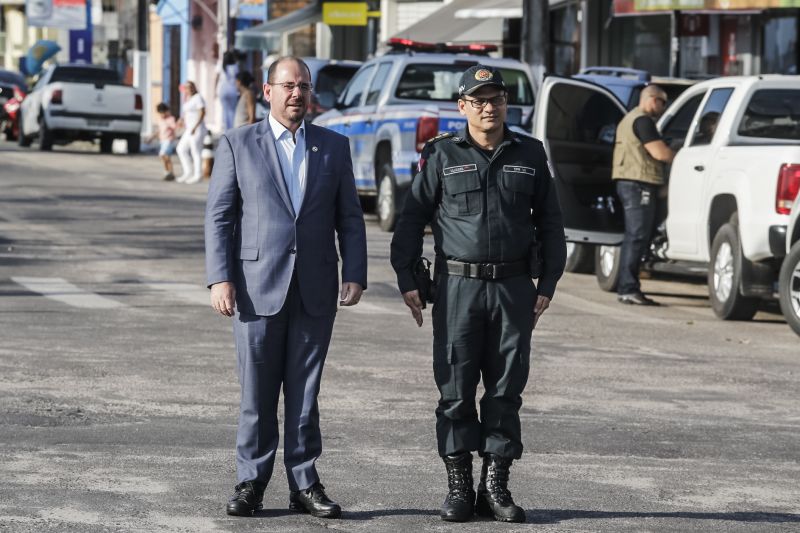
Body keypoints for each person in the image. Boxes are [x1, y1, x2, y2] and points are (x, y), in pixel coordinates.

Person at [390, 65, 566, 524]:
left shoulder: (529, 152)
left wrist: (547, 284)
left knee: (506, 389)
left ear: (506, 103)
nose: (489, 108)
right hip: (457, 289)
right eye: (479, 100)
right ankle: (459, 487)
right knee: (455, 390)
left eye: (497, 99)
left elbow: (550, 223)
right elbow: (410, 220)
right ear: (462, 106)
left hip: (513, 289)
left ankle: (495, 484)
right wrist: (408, 279)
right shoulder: (444, 155)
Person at [205, 56, 367, 520]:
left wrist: (354, 271)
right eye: (288, 86)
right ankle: (251, 483)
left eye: (304, 86)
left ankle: (304, 482)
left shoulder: (333, 148)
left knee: (305, 392)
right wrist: (220, 277)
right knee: (256, 393)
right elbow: (220, 216)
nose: (297, 94)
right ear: (269, 90)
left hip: (315, 287)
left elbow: (350, 218)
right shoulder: (238, 144)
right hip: (256, 289)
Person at [611, 84, 675, 306]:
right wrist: (680, 156)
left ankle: (626, 286)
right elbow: (659, 152)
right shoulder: (643, 120)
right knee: (637, 236)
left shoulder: (630, 119)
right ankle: (628, 288)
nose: (663, 107)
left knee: (634, 236)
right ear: (652, 99)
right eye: (662, 102)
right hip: (638, 184)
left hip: (631, 182)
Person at [176, 81, 207, 185]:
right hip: (189, 129)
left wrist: (196, 126)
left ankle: (198, 175)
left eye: (189, 87)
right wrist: (181, 120)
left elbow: (202, 112)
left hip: (197, 128)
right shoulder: (188, 99)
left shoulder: (198, 97)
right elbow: (187, 112)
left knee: (195, 151)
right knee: (181, 149)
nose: (188, 89)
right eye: (186, 88)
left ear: (193, 87)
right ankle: (188, 172)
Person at [146, 102, 177, 181]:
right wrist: (151, 138)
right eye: (160, 113)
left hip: (169, 140)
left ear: (166, 111)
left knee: (163, 155)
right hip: (162, 141)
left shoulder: (170, 119)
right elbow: (159, 131)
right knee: (166, 157)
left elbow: (175, 127)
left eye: (163, 113)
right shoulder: (160, 120)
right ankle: (168, 172)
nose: (161, 115)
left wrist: (176, 125)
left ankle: (170, 172)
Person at [216, 50, 240, 131]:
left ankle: (226, 129)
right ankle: (232, 129)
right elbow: (237, 79)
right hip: (232, 90)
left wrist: (215, 90)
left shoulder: (221, 65)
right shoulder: (235, 66)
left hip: (223, 89)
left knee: (224, 110)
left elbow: (216, 78)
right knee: (232, 111)